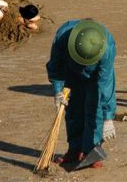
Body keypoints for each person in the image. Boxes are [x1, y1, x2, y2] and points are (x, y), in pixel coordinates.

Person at [46, 19, 116, 169]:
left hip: (95, 75)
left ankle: (90, 151)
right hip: (71, 71)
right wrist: (58, 90)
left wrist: (108, 118)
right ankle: (74, 150)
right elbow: (56, 66)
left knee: (94, 109)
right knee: (73, 109)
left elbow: (106, 84)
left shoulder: (107, 47)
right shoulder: (62, 38)